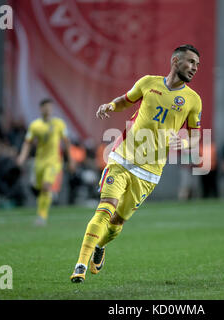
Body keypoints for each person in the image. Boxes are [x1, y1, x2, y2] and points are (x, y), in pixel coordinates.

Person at [70, 44, 202, 283]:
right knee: (105, 208)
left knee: (117, 221)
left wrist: (181, 144)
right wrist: (110, 105)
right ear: (175, 61)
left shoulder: (193, 101)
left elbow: (194, 137)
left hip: (149, 172)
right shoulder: (148, 82)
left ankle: (100, 246)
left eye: (197, 65)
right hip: (122, 157)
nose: (194, 68)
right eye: (191, 62)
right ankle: (80, 264)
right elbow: (125, 100)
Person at [17, 99, 75, 226]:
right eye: (45, 107)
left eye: (50, 107)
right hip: (39, 162)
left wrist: (70, 160)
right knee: (39, 188)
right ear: (41, 109)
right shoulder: (35, 125)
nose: (48, 109)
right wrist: (22, 157)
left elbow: (66, 142)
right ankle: (46, 200)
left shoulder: (59, 124)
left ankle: (42, 216)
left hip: (54, 161)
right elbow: (27, 142)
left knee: (46, 186)